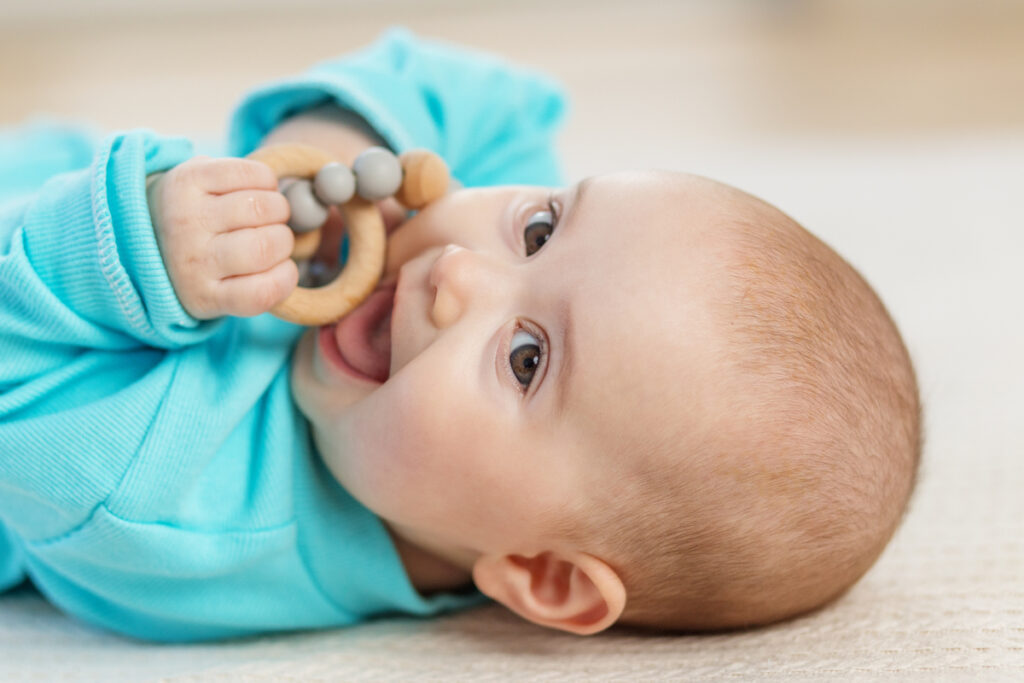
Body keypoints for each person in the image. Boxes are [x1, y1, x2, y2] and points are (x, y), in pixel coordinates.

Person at [0, 28, 920, 641]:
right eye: (542, 228)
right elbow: (499, 101)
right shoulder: (443, 263)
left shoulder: (164, 501)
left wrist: (133, 250)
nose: (456, 271)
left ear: (543, 574)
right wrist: (336, 138)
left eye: (528, 359)